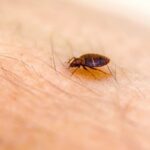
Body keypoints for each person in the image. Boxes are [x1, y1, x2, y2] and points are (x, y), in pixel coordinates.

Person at [0, 0, 149, 150]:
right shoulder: (80, 60)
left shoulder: (84, 63)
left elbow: (90, 68)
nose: (74, 65)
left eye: (75, 64)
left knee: (94, 71)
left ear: (78, 64)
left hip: (96, 62)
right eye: (74, 64)